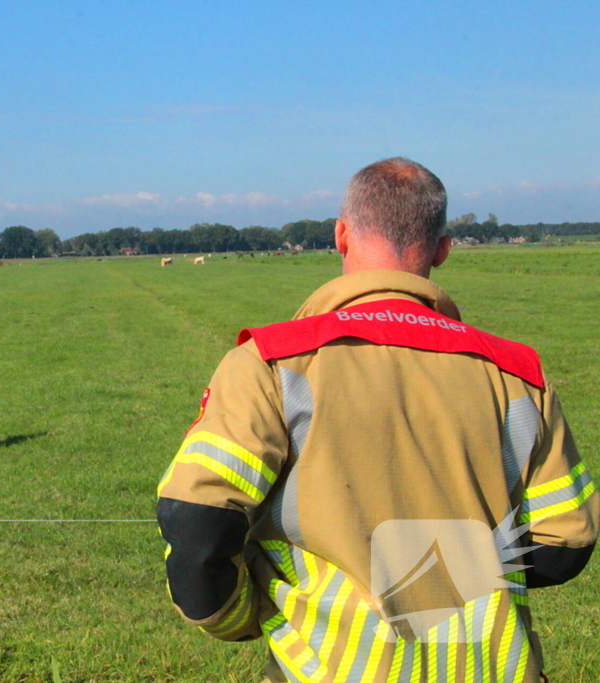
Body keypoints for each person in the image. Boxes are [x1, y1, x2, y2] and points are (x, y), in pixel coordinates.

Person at [156, 158, 598, 682]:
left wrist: (236, 619)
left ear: (341, 236)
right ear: (441, 249)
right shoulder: (517, 374)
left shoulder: (272, 365)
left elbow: (198, 523)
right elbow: (563, 544)